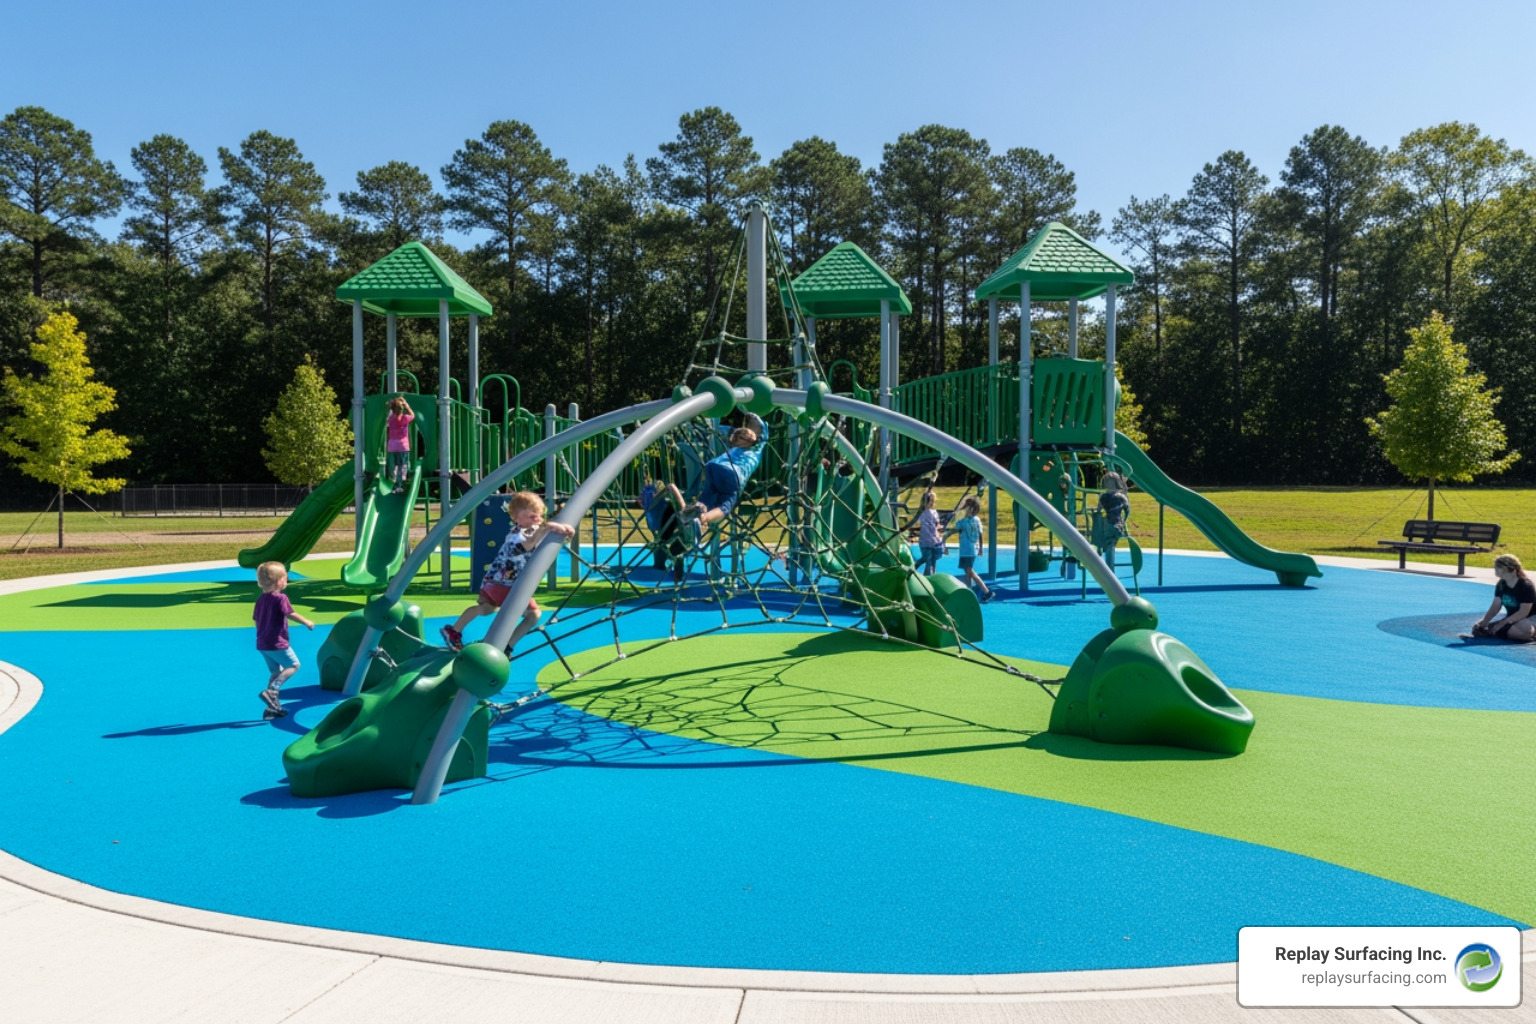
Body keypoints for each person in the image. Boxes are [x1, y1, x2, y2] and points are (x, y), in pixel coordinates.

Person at [441, 491, 576, 652]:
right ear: (515, 518)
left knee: (486, 609)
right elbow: (526, 545)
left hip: (497, 582)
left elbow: (546, 540)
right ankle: (503, 645)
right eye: (531, 517)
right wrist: (549, 527)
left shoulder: (533, 530)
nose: (537, 520)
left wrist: (565, 533)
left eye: (539, 516)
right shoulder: (517, 534)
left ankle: (455, 630)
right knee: (531, 614)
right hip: (504, 583)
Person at [667, 412, 768, 537]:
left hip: (713, 466)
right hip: (732, 474)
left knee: (706, 497)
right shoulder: (756, 448)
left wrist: (747, 416)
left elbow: (746, 432)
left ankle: (691, 515)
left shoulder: (735, 448)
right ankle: (703, 519)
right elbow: (761, 431)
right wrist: (753, 417)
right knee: (725, 506)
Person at [254, 561, 314, 720]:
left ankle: (272, 707)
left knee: (275, 672)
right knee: (294, 665)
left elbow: (256, 620)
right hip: (277, 642)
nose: (286, 581)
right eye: (285, 578)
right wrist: (307, 622)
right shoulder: (281, 598)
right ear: (279, 581)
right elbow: (290, 613)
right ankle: (272, 691)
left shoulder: (261, 600)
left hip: (262, 644)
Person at [1472, 554, 1536, 642]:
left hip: (1531, 616)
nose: (1495, 569)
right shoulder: (1501, 584)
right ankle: (1506, 630)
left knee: (1518, 632)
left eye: (1499, 567)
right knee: (1480, 630)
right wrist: (1484, 622)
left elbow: (1523, 612)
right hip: (1513, 618)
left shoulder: (1526, 586)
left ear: (1512, 570)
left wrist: (1503, 623)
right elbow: (1495, 606)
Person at [946, 495, 994, 602]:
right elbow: (980, 534)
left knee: (970, 571)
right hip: (972, 549)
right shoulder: (977, 520)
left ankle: (986, 591)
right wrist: (981, 548)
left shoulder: (963, 522)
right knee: (968, 572)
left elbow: (955, 528)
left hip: (966, 550)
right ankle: (970, 592)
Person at [384, 397, 415, 495]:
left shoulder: (391, 419)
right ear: (402, 409)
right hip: (403, 445)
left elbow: (387, 411)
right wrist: (406, 404)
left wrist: (390, 404)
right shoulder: (405, 418)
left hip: (392, 446)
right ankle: (400, 485)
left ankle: (392, 484)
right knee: (402, 466)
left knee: (393, 466)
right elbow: (412, 415)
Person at [916, 489, 944, 576]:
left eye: (932, 500)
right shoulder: (921, 513)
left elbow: (936, 525)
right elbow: (918, 524)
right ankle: (927, 577)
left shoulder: (934, 512)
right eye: (929, 500)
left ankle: (932, 574)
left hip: (933, 541)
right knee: (928, 559)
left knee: (932, 560)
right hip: (925, 540)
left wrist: (939, 531)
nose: (930, 503)